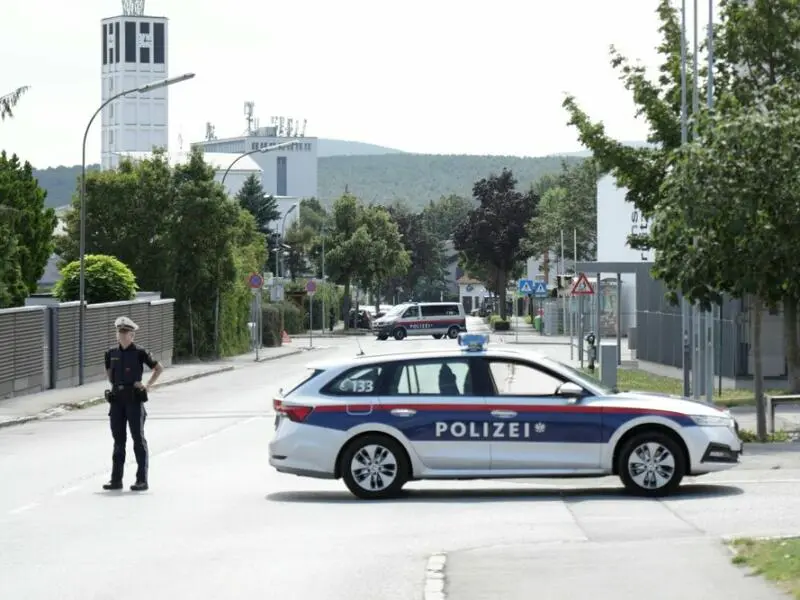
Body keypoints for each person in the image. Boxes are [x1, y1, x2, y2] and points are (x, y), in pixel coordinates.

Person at [102, 316, 164, 492]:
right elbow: (109, 374)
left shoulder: (140, 352)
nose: (121, 335)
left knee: (138, 439)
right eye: (119, 332)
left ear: (132, 335)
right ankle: (116, 479)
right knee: (118, 440)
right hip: (117, 401)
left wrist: (147, 385)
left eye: (125, 332)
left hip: (134, 400)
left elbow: (158, 368)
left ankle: (141, 480)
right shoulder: (110, 353)